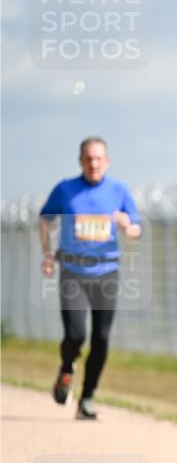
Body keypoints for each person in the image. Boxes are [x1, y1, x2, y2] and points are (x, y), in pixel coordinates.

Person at [39, 137, 141, 420]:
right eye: (88, 158)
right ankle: (67, 367)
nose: (93, 164)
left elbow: (136, 229)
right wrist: (47, 254)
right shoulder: (66, 189)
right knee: (75, 334)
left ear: (106, 161)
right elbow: (45, 219)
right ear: (80, 161)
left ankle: (87, 398)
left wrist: (126, 225)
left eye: (98, 159)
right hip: (73, 271)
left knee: (102, 337)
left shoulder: (119, 190)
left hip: (106, 272)